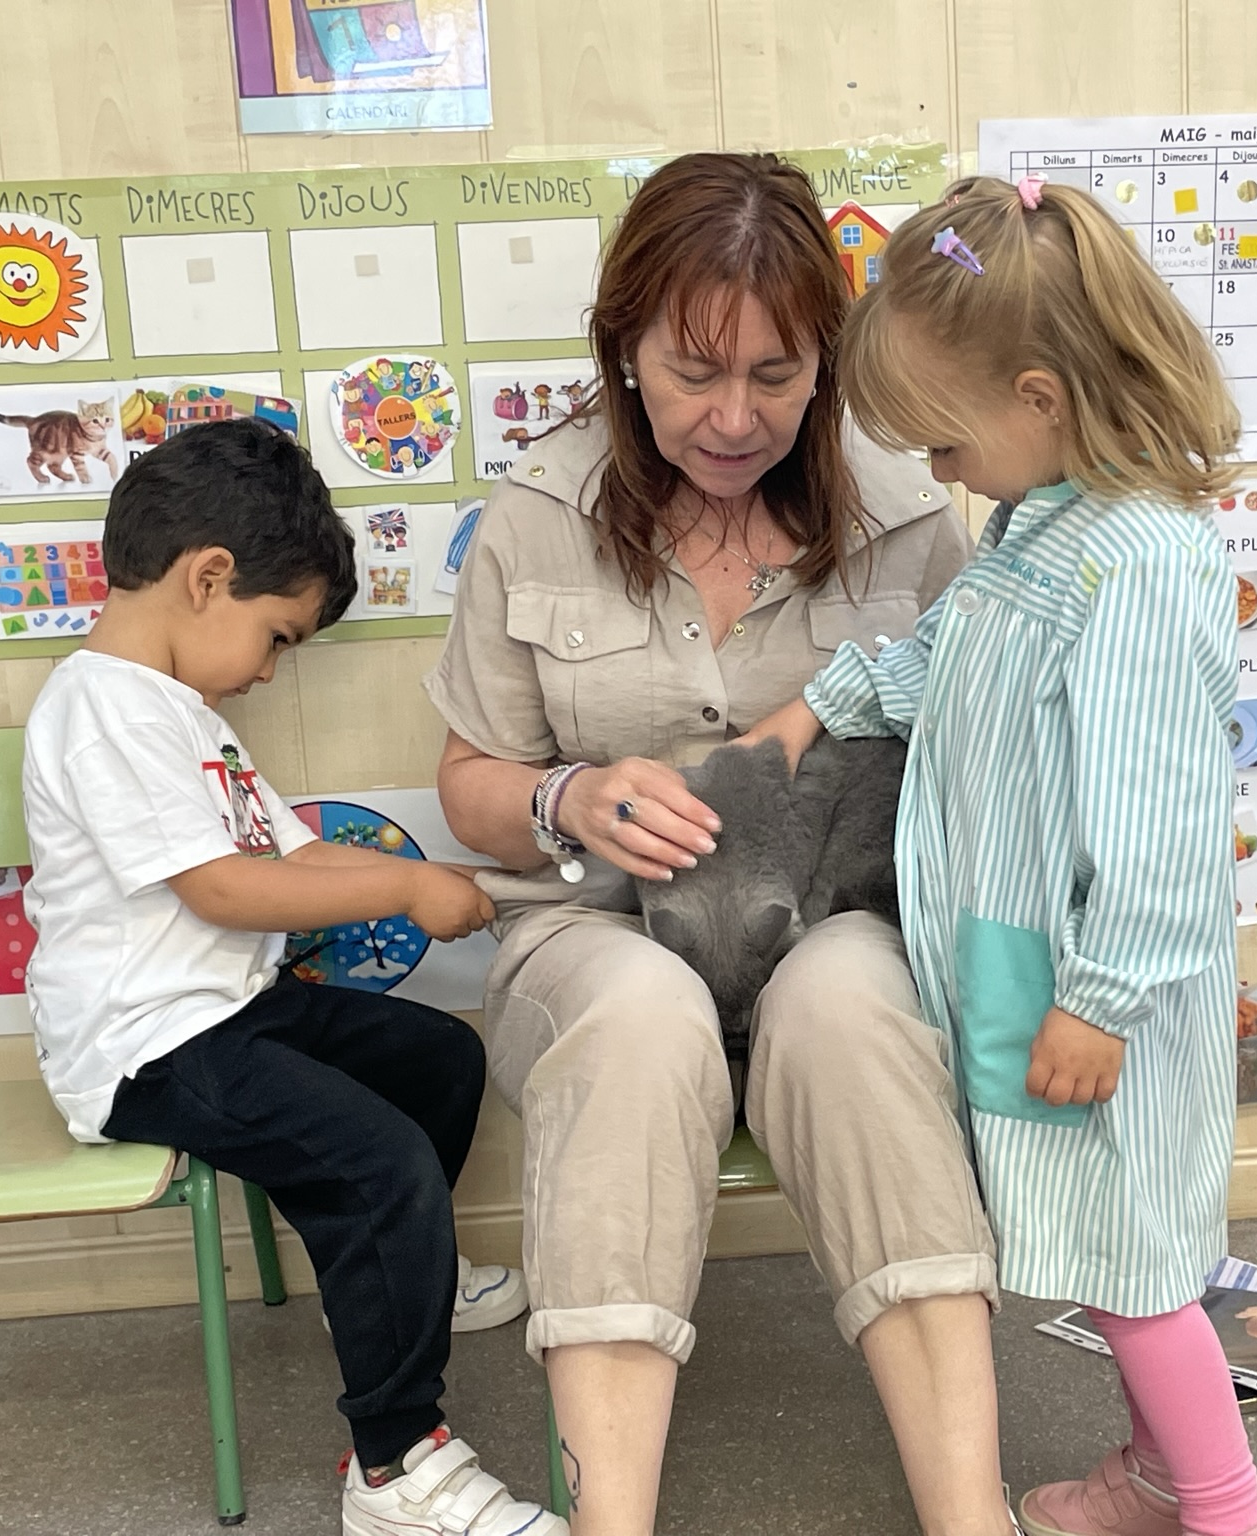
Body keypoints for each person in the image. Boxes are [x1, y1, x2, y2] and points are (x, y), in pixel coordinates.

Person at [429, 152, 1011, 1536]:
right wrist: (567, 797)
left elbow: (983, 755)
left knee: (854, 1006)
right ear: (625, 350)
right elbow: (467, 782)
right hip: (596, 933)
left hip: (834, 920)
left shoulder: (912, 510)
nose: (735, 418)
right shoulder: (536, 516)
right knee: (637, 1018)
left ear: (829, 360)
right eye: (694, 374)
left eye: (776, 374)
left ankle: (970, 1517)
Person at [743, 177, 1257, 1536]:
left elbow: (1164, 820)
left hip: (1099, 989)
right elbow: (951, 654)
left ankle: (1224, 1512)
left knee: (1139, 1268)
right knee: (1103, 1246)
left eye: (943, 442)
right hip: (1023, 957)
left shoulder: (1139, 560)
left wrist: (1100, 1001)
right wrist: (825, 703)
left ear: (1038, 399)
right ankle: (1159, 1475)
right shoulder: (1042, 522)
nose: (938, 473)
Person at [19, 419, 561, 1536]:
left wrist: (435, 878)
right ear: (207, 577)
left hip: (230, 1012)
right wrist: (402, 891)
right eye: (277, 638)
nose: (269, 671)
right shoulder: (101, 708)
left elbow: (294, 856)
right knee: (379, 1165)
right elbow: (223, 890)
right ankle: (397, 1469)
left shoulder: (182, 713)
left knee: (438, 1059)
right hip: (148, 1046)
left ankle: (392, 1282)